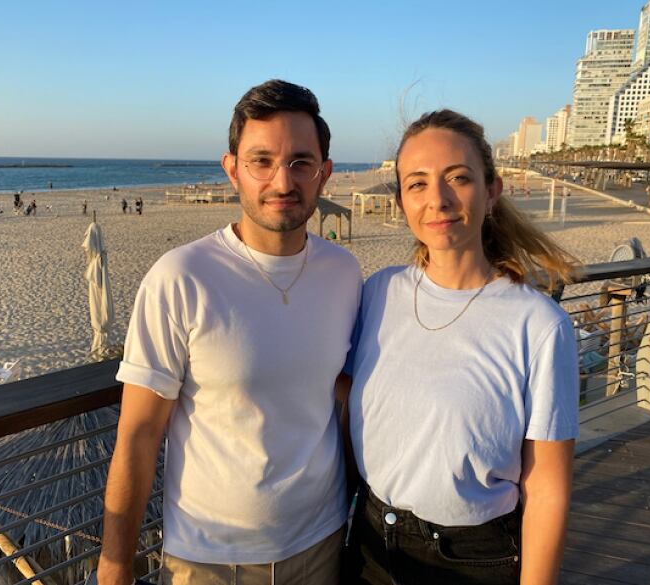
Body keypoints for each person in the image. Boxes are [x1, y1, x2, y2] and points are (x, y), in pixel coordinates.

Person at [98, 79, 362, 585]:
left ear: (324, 174)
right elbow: (139, 433)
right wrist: (114, 569)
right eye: (261, 161)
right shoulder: (181, 277)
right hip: (210, 559)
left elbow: (343, 387)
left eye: (300, 163)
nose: (282, 181)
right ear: (232, 169)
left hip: (323, 543)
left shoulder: (344, 273)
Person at [344, 110, 579, 585]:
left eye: (458, 178)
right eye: (417, 184)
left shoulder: (538, 324)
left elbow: (548, 488)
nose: (438, 199)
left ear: (492, 191)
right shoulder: (378, 293)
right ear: (401, 201)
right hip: (369, 539)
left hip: (472, 558)